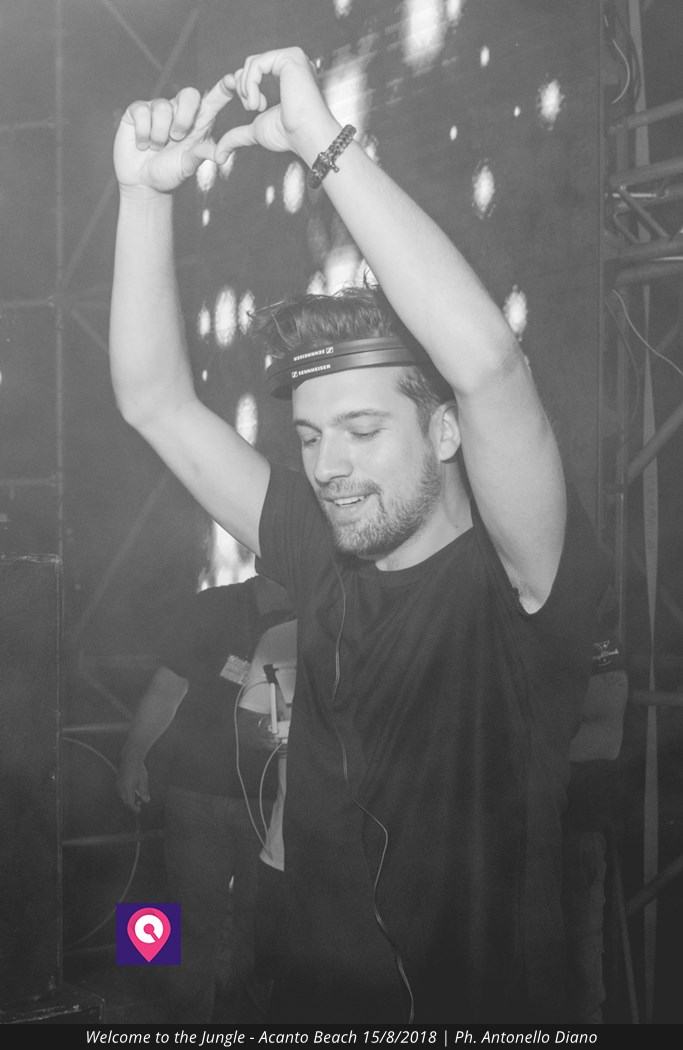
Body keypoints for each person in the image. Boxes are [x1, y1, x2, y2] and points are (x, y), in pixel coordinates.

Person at [109, 46, 608, 1022]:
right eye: (308, 437)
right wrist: (141, 196)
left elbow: (489, 366)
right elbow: (154, 402)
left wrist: (323, 146)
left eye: (363, 430)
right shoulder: (319, 546)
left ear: (445, 431)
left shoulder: (519, 583)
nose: (326, 464)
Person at [115, 575, 293, 1023]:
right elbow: (167, 688)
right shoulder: (212, 607)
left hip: (275, 805)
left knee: (262, 932)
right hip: (196, 794)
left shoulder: (320, 613)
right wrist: (133, 756)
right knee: (187, 922)